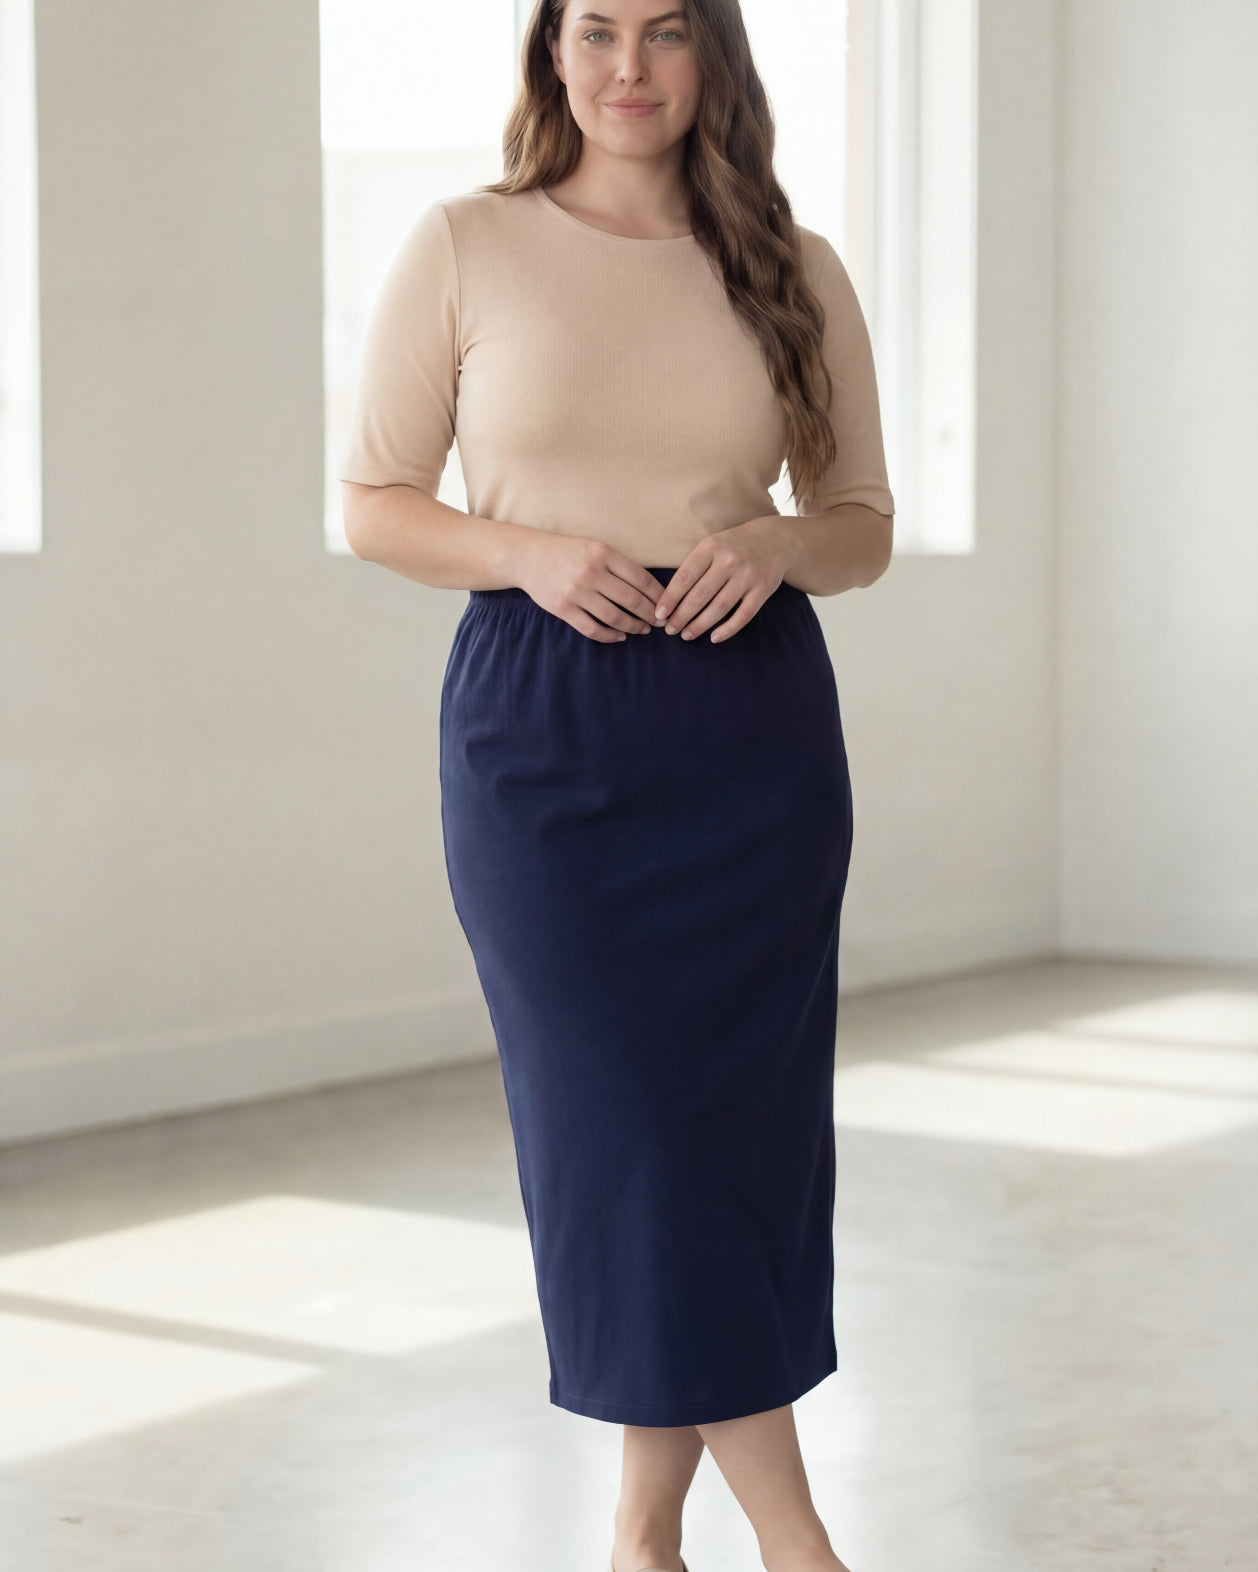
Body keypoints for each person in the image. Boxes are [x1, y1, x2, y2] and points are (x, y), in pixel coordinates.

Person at [338, 3, 894, 1569]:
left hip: (750, 736)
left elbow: (858, 518)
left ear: (712, 56)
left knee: (727, 1139)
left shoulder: (789, 263)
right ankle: (801, 1546)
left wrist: (778, 545)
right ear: (550, 54)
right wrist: (527, 552)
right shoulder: (464, 246)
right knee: (627, 1132)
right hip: (543, 731)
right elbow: (375, 502)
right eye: (593, 29)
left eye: (664, 32)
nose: (626, 66)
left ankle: (644, 1537)